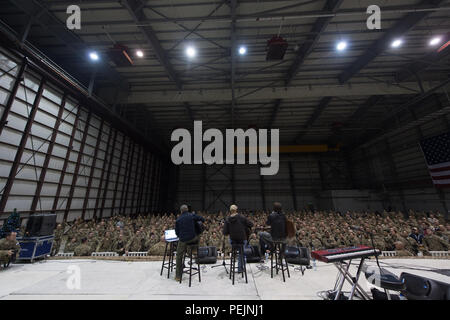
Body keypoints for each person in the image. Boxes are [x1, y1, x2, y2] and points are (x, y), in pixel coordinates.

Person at [175, 204, 205, 282]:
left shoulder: (178, 219)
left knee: (179, 256)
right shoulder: (192, 215)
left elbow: (177, 233)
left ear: (181, 211)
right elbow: (202, 219)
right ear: (187, 210)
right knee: (199, 232)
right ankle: (194, 249)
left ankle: (178, 276)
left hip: (183, 240)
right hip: (193, 239)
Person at [223, 204, 253, 273]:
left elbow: (225, 233)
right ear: (236, 210)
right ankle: (241, 268)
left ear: (230, 211)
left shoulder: (227, 219)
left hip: (233, 241)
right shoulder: (241, 217)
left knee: (240, 249)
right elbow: (251, 224)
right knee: (241, 251)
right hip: (241, 240)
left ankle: (239, 267)